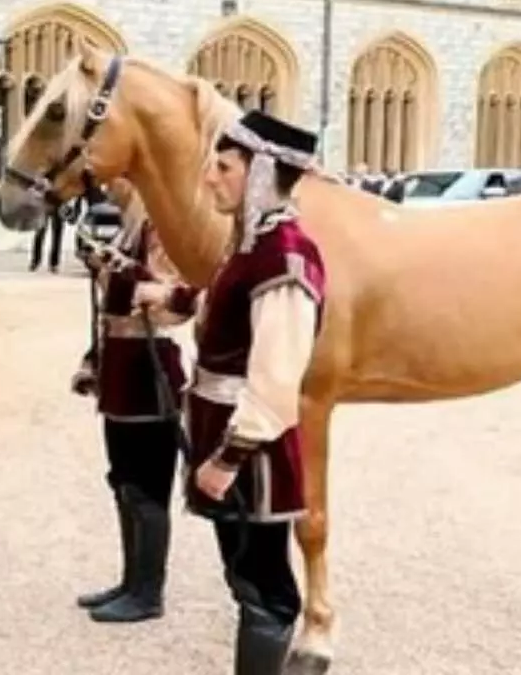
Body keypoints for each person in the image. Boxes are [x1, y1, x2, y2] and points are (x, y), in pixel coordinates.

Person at [135, 109, 326, 674]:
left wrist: (228, 459)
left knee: (265, 589)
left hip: (252, 457)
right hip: (229, 443)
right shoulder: (249, 244)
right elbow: (230, 312)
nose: (210, 178)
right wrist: (172, 298)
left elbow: (276, 377)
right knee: (244, 577)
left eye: (223, 166)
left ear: (261, 172)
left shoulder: (285, 257)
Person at [69, 181, 196, 623]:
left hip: (148, 365)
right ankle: (131, 580)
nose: (109, 185)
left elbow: (173, 303)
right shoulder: (129, 228)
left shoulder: (161, 230)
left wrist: (122, 268)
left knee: (147, 487)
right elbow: (112, 307)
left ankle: (148, 591)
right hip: (122, 366)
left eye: (120, 176)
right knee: (123, 481)